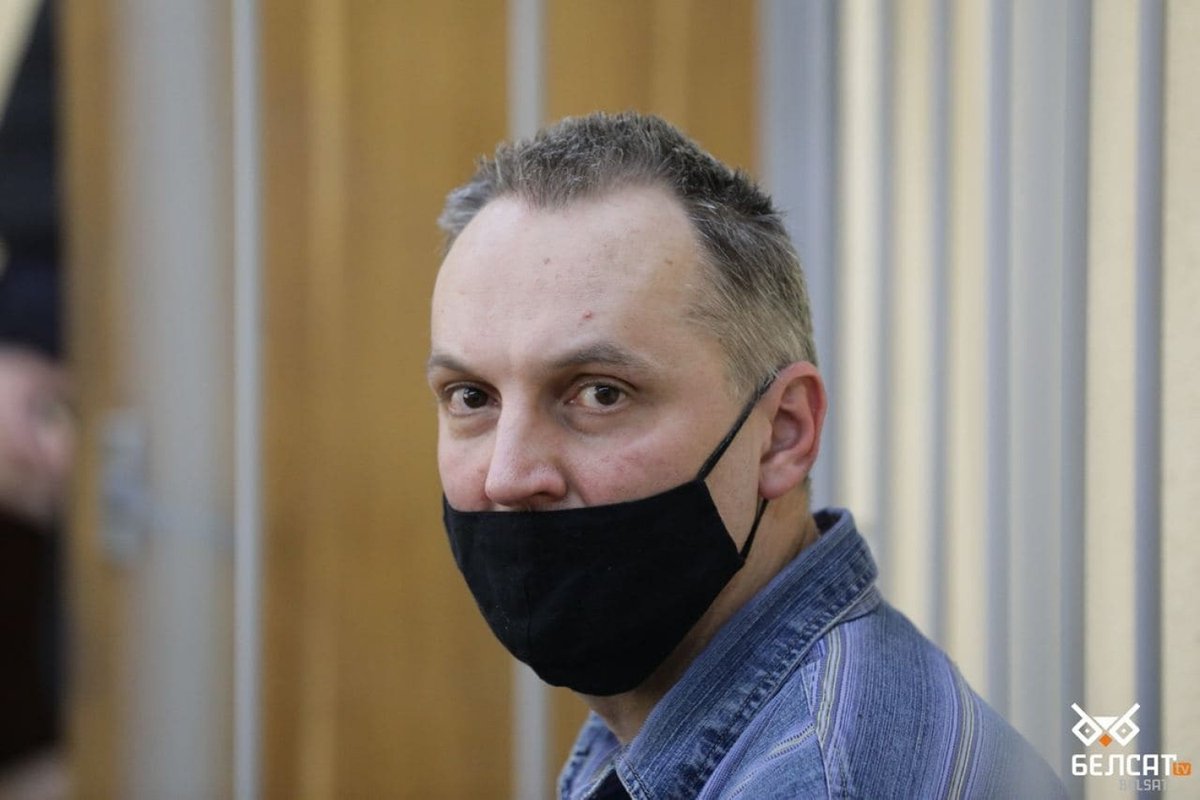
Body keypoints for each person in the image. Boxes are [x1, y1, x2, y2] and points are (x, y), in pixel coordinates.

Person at [428, 112, 1064, 799]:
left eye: (601, 394)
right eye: (471, 397)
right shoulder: (663, 713)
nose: (508, 476)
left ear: (783, 432)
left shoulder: (819, 781)